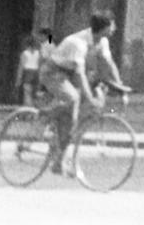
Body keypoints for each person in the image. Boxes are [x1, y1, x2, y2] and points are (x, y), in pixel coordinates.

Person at [40, 12, 129, 174]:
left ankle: (59, 160)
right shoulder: (77, 43)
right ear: (104, 28)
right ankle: (48, 115)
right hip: (54, 72)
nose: (115, 29)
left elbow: (109, 64)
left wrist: (120, 87)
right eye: (112, 26)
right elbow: (79, 74)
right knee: (73, 99)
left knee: (73, 121)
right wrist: (88, 97)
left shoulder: (102, 41)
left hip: (70, 73)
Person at [15, 33, 43, 106]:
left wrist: (19, 78)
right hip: (36, 72)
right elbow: (40, 65)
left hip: (27, 72)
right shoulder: (38, 53)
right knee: (35, 92)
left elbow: (21, 67)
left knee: (27, 92)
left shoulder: (24, 53)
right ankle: (34, 107)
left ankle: (28, 107)